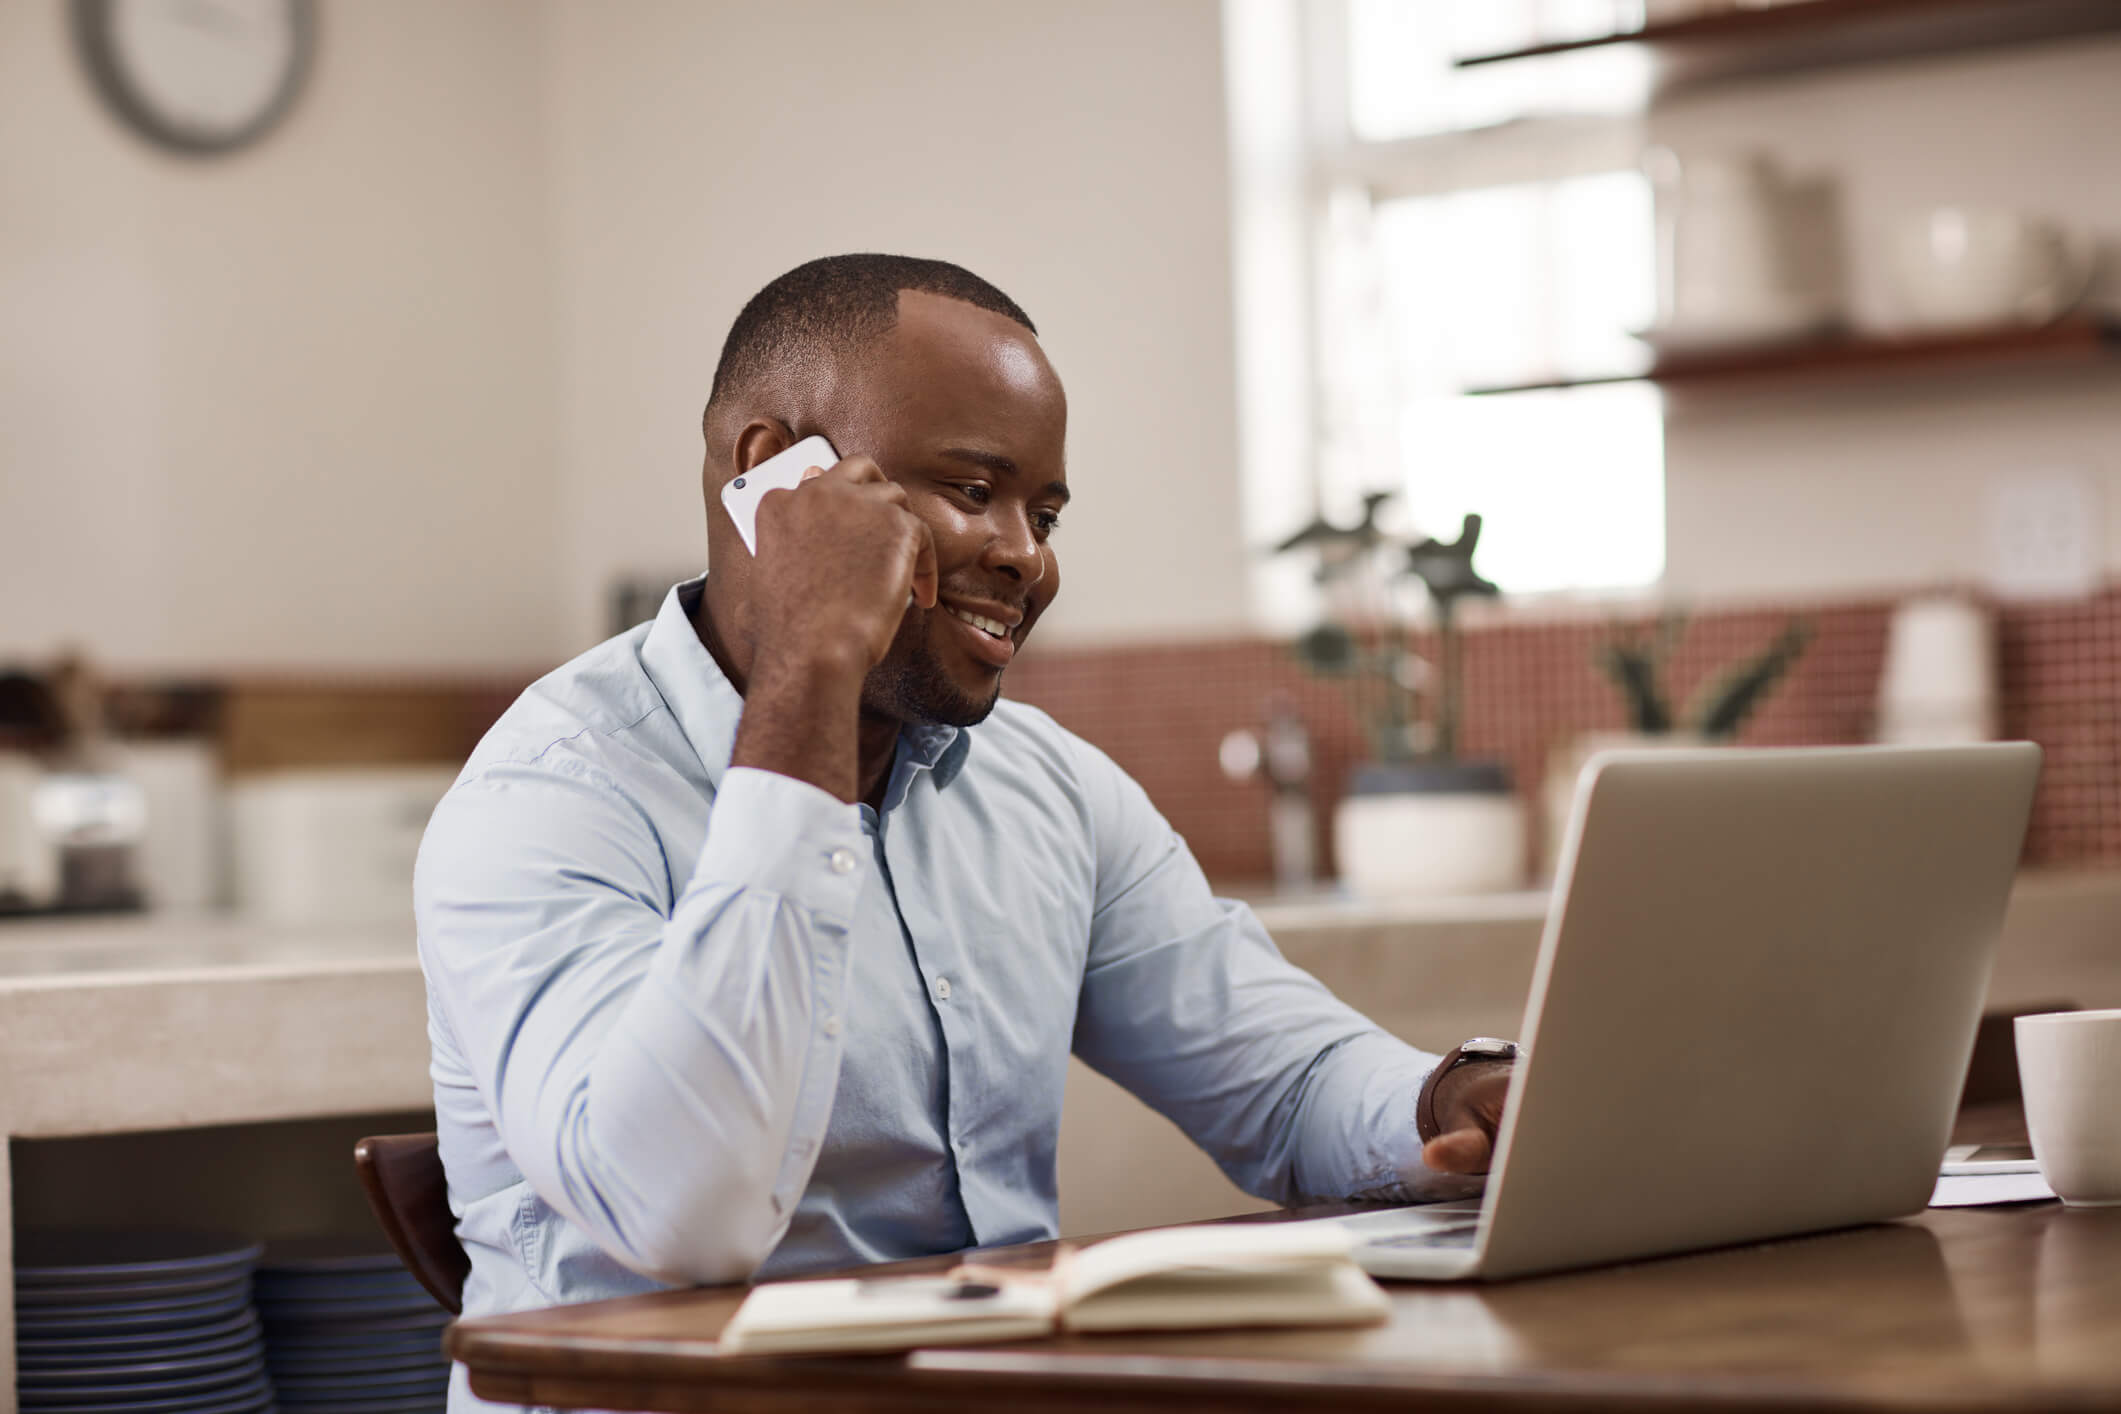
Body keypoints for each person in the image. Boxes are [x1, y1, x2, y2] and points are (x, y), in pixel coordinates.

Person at [416, 254, 1514, 1403]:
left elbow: (1285, 1085)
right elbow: (682, 1216)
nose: (1025, 556)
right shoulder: (546, 798)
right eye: (972, 490)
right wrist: (812, 677)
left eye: (1042, 512)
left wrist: (1447, 1102)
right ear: (772, 476)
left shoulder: (1049, 788)